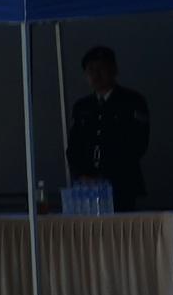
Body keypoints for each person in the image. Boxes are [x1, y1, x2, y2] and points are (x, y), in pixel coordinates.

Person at [64, 47, 151, 210]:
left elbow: (137, 144)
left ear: (114, 70)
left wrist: (107, 175)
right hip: (87, 187)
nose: (96, 75)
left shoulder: (132, 101)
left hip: (121, 184)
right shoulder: (83, 107)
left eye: (101, 69)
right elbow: (74, 146)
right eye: (91, 70)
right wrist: (82, 174)